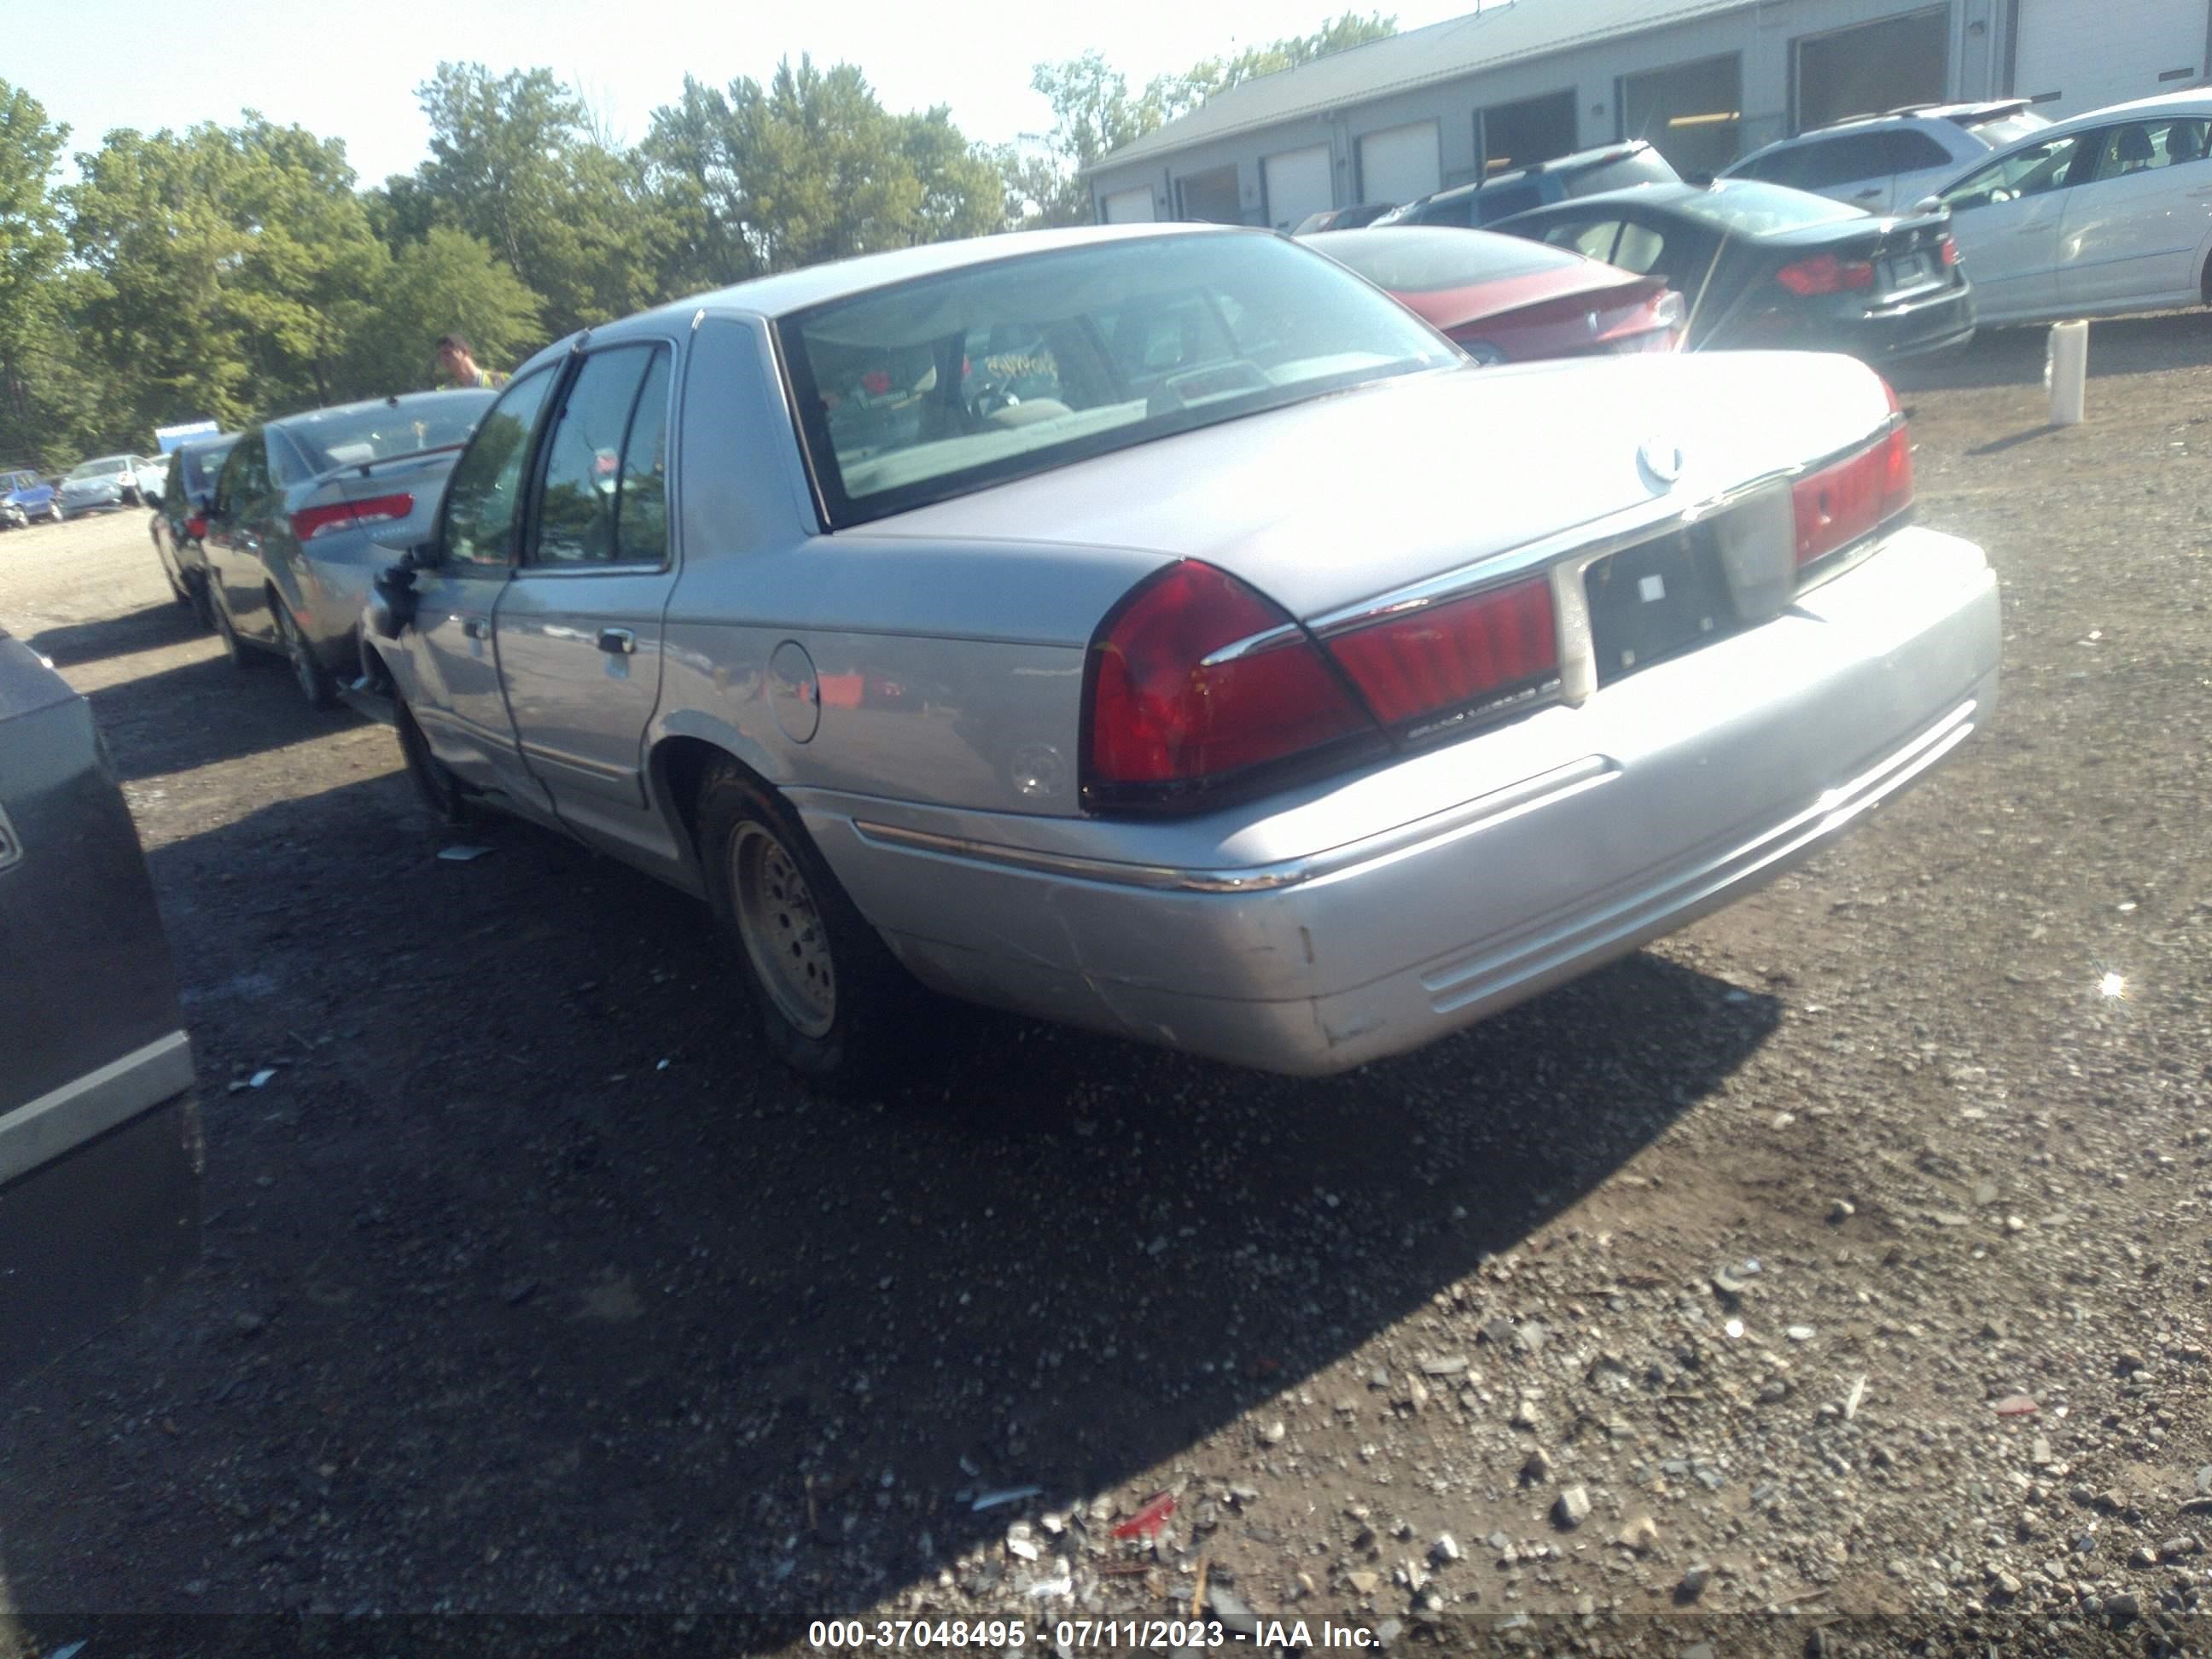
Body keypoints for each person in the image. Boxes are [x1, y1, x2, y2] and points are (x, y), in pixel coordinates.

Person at [434, 334, 510, 391]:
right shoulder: (446, 391)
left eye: (447, 353)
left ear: (464, 352)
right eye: (440, 355)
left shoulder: (499, 381)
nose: (443, 358)